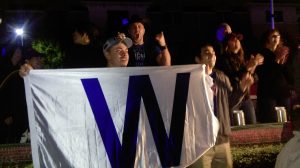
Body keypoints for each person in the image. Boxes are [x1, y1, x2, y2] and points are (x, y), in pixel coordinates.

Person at [188, 44, 253, 168]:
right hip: (200, 143)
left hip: (221, 140)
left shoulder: (222, 77)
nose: (212, 55)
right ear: (198, 59)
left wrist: (242, 88)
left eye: (213, 52)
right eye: (207, 52)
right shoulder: (191, 79)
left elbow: (230, 103)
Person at [216, 33, 264, 125]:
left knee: (252, 125)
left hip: (245, 97)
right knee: (236, 127)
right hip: (233, 98)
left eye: (238, 40)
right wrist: (248, 68)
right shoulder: (223, 60)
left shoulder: (242, 58)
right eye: (232, 40)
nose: (236, 41)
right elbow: (233, 77)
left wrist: (253, 68)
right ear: (227, 44)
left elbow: (255, 77)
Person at [0, 47, 43, 143]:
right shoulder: (15, 75)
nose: (40, 61)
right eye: (36, 58)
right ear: (27, 61)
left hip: (33, 122)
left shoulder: (41, 77)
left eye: (40, 58)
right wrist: (6, 114)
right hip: (16, 122)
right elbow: (5, 95)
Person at [255, 29, 295, 123]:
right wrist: (277, 61)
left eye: (278, 35)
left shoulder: (284, 53)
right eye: (273, 36)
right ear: (267, 39)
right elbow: (265, 75)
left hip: (283, 93)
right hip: (268, 94)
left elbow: (290, 76)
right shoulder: (262, 54)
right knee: (272, 123)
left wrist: (283, 63)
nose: (276, 37)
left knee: (286, 123)